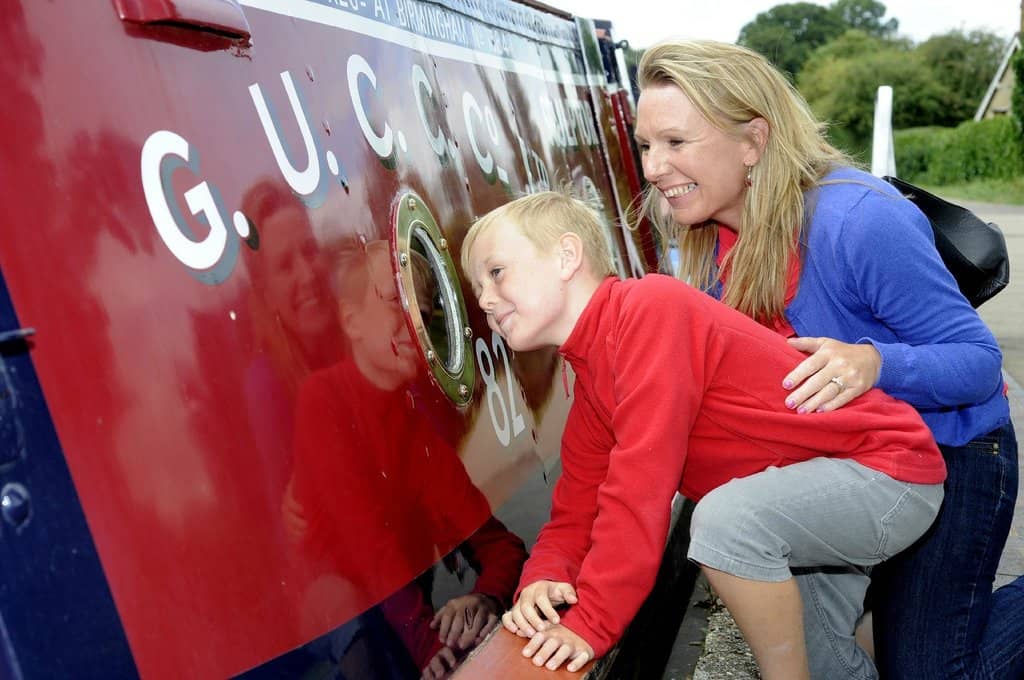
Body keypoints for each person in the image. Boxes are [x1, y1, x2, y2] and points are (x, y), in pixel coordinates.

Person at [631, 38, 1023, 679]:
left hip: (956, 446)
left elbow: (978, 362)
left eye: (675, 142)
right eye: (646, 145)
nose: (653, 168)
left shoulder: (858, 219)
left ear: (753, 141)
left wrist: (874, 364)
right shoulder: (708, 245)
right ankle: (887, 626)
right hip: (849, 457)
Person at [460, 190, 945, 678]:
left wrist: (591, 623)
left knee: (724, 523)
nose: (484, 299)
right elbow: (576, 508)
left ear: (567, 256)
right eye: (477, 286)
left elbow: (638, 491)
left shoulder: (650, 310)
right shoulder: (592, 380)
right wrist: (545, 575)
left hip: (886, 472)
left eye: (496, 272)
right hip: (808, 489)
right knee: (826, 666)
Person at [287, 239, 527, 679]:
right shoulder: (323, 400)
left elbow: (499, 544)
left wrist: (483, 599)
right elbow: (367, 541)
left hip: (399, 610)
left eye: (424, 308)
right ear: (351, 321)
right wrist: (425, 641)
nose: (415, 321)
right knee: (347, 613)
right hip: (335, 616)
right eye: (395, 302)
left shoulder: (415, 428)